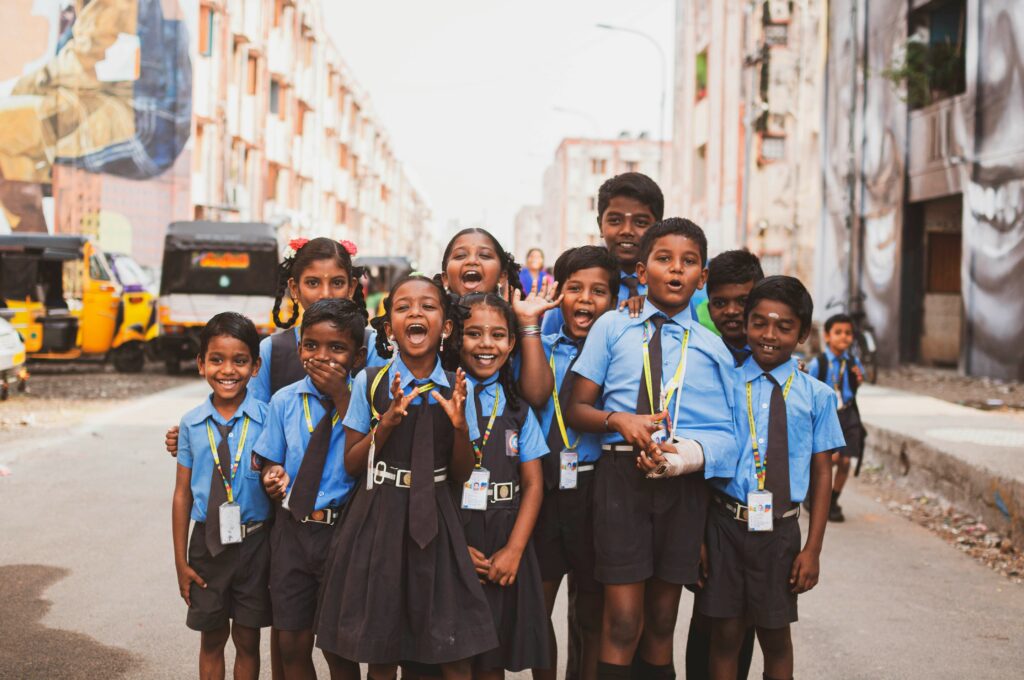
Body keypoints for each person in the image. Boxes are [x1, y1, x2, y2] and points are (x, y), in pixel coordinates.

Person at [566, 218, 739, 680]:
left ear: (702, 278)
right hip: (620, 483)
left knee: (662, 622)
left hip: (682, 489)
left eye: (688, 262)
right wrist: (616, 419)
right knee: (622, 621)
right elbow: (575, 405)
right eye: (664, 260)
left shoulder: (713, 347)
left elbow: (730, 436)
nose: (676, 270)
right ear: (641, 272)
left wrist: (688, 457)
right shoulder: (612, 327)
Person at [315, 276, 497, 679]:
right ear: (388, 328)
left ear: (446, 327)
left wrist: (460, 428)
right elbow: (351, 464)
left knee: (452, 649)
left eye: (428, 306)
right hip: (379, 517)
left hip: (437, 517)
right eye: (403, 307)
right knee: (382, 649)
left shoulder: (457, 387)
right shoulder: (371, 382)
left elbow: (462, 474)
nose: (416, 313)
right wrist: (388, 424)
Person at [698, 276, 845, 680]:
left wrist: (812, 549)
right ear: (745, 325)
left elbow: (821, 472)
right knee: (725, 635)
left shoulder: (817, 396)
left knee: (776, 637)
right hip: (725, 525)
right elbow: (703, 464)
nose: (769, 335)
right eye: (759, 323)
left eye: (784, 326)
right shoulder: (723, 384)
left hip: (780, 533)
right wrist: (699, 538)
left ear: (802, 334)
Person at [253, 298, 367, 680]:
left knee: (338, 649)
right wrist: (272, 474)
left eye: (337, 348)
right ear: (300, 346)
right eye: (312, 345)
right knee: (291, 645)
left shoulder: (365, 400)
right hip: (293, 532)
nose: (322, 356)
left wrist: (341, 396)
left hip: (343, 533)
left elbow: (366, 453)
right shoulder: (284, 401)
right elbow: (271, 458)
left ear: (357, 355)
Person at [532, 246, 618, 680]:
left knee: (591, 610)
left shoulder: (618, 355)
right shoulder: (536, 348)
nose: (585, 299)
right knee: (538, 607)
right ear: (558, 294)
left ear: (615, 300)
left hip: (594, 491)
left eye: (599, 291)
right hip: (544, 490)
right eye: (575, 288)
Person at [171, 312, 271, 680]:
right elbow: (182, 495)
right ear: (201, 364)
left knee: (247, 639)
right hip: (207, 547)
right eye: (217, 359)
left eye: (240, 360)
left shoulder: (267, 418)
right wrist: (181, 561)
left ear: (255, 366)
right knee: (212, 638)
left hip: (256, 544)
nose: (228, 370)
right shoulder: (190, 424)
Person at [455, 292, 551, 676]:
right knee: (453, 652)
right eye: (473, 333)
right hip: (455, 533)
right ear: (454, 337)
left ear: (512, 344)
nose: (485, 344)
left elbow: (533, 485)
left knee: (493, 656)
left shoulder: (517, 408)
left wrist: (514, 549)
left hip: (503, 537)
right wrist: (454, 546)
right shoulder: (445, 395)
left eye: (497, 335)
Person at [685, 249, 765, 680]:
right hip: (708, 510)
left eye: (744, 301)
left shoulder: (772, 360)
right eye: (721, 302)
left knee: (745, 619)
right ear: (708, 301)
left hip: (754, 513)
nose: (732, 312)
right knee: (709, 614)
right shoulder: (701, 352)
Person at [438, 227, 559, 409]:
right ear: (445, 278)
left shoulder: (513, 325)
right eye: (460, 256)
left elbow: (538, 396)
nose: (472, 260)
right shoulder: (433, 324)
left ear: (502, 276)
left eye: (485, 256)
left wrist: (527, 322)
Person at [805, 313, 866, 523]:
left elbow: (858, 383)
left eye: (848, 333)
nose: (844, 337)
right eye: (838, 332)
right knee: (830, 458)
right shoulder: (818, 363)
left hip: (848, 414)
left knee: (846, 460)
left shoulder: (852, 362)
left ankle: (833, 500)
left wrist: (858, 378)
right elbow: (809, 388)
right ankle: (813, 493)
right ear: (827, 336)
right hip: (827, 415)